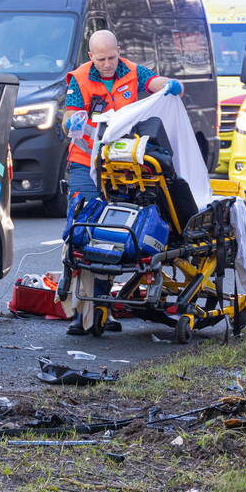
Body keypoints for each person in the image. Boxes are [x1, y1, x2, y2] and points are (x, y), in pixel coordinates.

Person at [62, 29, 182, 335]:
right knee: (82, 234)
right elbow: (69, 116)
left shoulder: (132, 71)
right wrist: (71, 122)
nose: (107, 64)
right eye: (100, 59)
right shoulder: (79, 79)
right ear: (91, 57)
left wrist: (168, 86)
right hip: (83, 163)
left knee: (113, 233)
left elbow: (154, 83)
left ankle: (101, 308)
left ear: (119, 51)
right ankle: (80, 312)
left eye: (111, 57)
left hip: (117, 166)